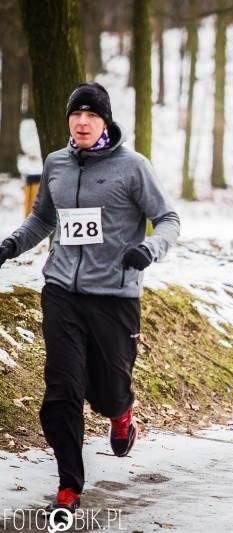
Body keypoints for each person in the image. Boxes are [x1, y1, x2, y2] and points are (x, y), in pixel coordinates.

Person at [0, 82, 180, 519]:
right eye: (75, 115)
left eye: (91, 116)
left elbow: (168, 219)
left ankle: (121, 413)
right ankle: (68, 485)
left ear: (105, 121)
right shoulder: (56, 164)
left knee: (106, 393)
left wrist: (148, 251)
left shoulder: (133, 167)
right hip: (61, 291)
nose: (81, 123)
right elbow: (44, 218)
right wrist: (9, 246)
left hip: (114, 296)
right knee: (62, 389)